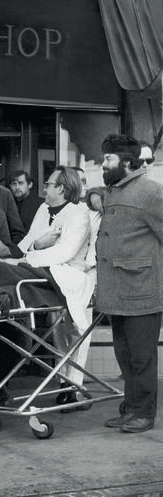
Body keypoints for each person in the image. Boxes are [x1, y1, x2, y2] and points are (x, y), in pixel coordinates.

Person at [4, 166, 93, 410]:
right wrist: (37, 246)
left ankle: (76, 388)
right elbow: (28, 243)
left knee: (78, 332)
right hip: (47, 276)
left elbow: (66, 251)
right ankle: (65, 385)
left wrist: (28, 257)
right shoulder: (44, 209)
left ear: (62, 188)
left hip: (73, 278)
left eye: (49, 184)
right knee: (59, 335)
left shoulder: (79, 214)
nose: (45, 188)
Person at [96, 134, 163, 433]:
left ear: (125, 162)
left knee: (142, 356)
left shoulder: (150, 192)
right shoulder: (113, 191)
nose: (103, 164)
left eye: (108, 159)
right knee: (125, 355)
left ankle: (144, 413)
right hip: (117, 291)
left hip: (142, 290)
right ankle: (131, 408)